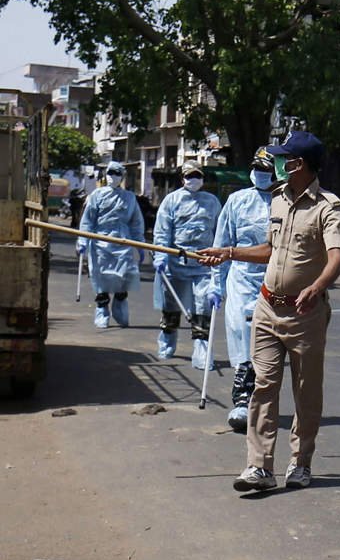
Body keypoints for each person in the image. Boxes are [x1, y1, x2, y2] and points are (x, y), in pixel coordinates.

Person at [198, 131, 340, 492]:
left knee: (305, 391)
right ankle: (259, 467)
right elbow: (270, 248)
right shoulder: (278, 200)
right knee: (262, 386)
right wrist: (229, 252)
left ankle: (300, 462)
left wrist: (317, 286)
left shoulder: (329, 206)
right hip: (267, 308)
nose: (278, 164)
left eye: (284, 158)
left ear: (300, 164)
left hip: (304, 313)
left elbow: (337, 256)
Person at [208, 147, 275, 432]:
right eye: (257, 168)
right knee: (240, 334)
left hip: (274, 280)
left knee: (267, 342)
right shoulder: (236, 201)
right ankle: (242, 399)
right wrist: (216, 283)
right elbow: (221, 243)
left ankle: (262, 400)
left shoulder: (286, 202)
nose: (260, 174)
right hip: (241, 280)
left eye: (266, 169)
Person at [153, 160, 221, 366]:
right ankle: (167, 340)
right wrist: (161, 255)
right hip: (176, 262)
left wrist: (220, 260)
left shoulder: (212, 201)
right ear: (182, 178)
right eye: (190, 176)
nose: (194, 180)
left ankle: (201, 349)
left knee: (203, 304)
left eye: (198, 176)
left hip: (203, 264)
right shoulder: (171, 201)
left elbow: (220, 232)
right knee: (172, 304)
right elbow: (162, 231)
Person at [76, 161, 143, 329]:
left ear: (122, 177)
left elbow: (136, 223)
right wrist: (83, 240)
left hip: (122, 242)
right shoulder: (96, 195)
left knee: (122, 278)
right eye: (110, 172)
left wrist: (141, 245)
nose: (113, 176)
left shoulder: (130, 197)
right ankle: (102, 309)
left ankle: (120, 308)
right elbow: (87, 221)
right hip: (100, 242)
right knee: (101, 279)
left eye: (116, 173)